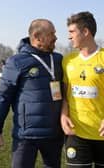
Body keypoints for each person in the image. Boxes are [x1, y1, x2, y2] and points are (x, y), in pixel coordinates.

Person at [0, 18, 64, 168]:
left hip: (54, 134)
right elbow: (3, 97)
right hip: (26, 135)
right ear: (36, 36)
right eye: (51, 34)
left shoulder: (58, 59)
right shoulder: (16, 62)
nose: (56, 37)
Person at [61, 11, 104, 168]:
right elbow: (65, 94)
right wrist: (63, 114)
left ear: (85, 32)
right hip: (76, 133)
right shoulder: (68, 60)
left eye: (72, 32)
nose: (69, 36)